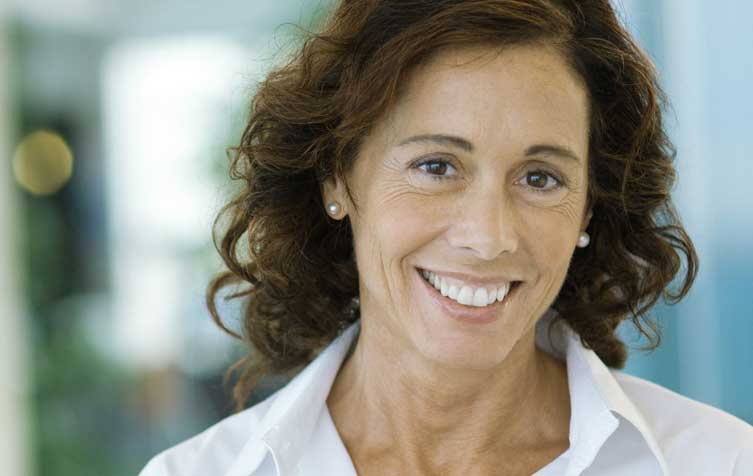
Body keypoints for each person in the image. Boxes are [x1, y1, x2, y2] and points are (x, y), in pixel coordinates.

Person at [139, 0, 753, 475]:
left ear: (589, 208)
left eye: (540, 178)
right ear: (337, 177)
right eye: (436, 166)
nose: (488, 237)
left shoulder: (719, 462)